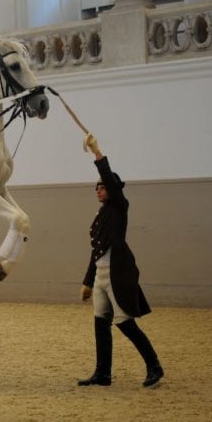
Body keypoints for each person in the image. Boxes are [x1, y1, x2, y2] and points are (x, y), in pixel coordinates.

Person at [77, 134, 164, 387]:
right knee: (100, 324)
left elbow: (110, 182)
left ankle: (154, 366)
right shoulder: (101, 216)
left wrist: (97, 152)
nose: (98, 190)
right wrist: (88, 281)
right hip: (101, 276)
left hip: (116, 275)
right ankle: (102, 373)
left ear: (112, 189)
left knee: (125, 323)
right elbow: (96, 250)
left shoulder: (119, 206)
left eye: (102, 186)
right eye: (96, 187)